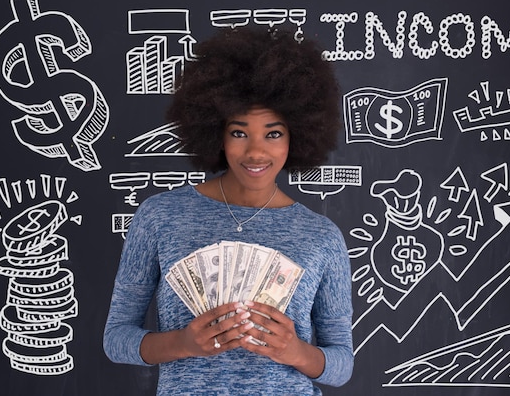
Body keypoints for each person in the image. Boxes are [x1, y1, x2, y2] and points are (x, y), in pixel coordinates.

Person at [104, 26, 353, 395]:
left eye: (273, 133)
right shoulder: (160, 217)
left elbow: (342, 365)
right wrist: (183, 343)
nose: (255, 152)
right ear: (216, 133)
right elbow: (116, 339)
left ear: (297, 135)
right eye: (239, 133)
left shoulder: (322, 237)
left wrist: (296, 351)